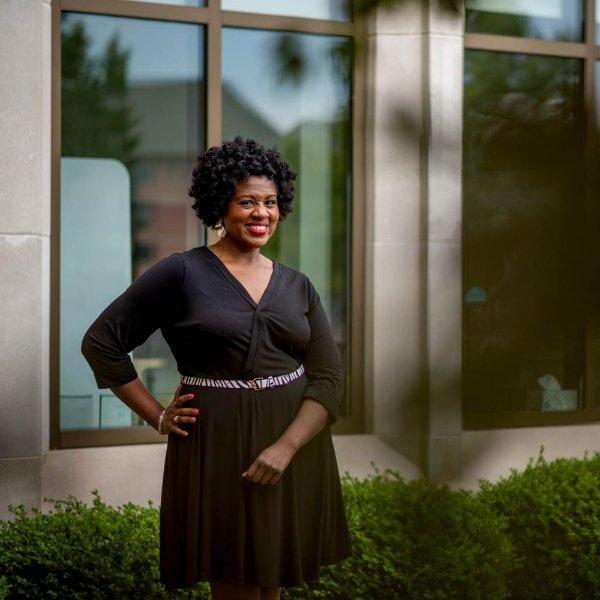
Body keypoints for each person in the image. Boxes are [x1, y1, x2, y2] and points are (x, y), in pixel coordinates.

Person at [80, 136, 353, 600]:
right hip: (219, 446)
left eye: (270, 202)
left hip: (295, 443)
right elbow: (101, 343)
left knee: (273, 583)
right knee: (236, 581)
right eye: (246, 201)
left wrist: (286, 448)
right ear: (219, 205)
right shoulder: (181, 273)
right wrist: (156, 414)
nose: (260, 213)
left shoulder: (298, 286)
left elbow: (328, 379)